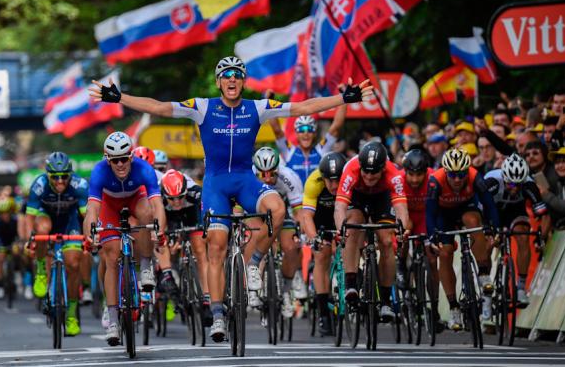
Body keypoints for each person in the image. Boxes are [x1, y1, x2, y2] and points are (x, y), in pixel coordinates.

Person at [89, 55, 373, 342]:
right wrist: (119, 98)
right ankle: (217, 315)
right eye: (226, 75)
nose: (232, 79)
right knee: (217, 247)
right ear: (218, 82)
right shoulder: (203, 107)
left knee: (276, 207)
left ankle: (254, 263)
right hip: (216, 185)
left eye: (237, 74)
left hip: (246, 180)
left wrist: (343, 98)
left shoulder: (257, 108)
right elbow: (160, 107)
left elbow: (302, 107)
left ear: (243, 81)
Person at [82, 132, 167, 346]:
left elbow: (157, 205)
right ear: (106, 159)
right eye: (114, 160)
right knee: (111, 258)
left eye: (124, 158)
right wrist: (89, 235)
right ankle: (112, 322)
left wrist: (160, 231)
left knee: (147, 213)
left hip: (135, 200)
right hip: (109, 206)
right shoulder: (99, 171)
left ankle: (146, 267)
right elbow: (92, 209)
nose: (120, 164)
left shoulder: (144, 168)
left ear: (131, 156)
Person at [334, 141, 412, 322]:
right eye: (366, 171)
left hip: (381, 198)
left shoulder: (393, 174)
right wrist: (341, 230)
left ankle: (385, 301)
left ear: (383, 169)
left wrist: (401, 230)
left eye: (374, 172)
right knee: (351, 228)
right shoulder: (351, 170)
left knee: (386, 241)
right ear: (360, 166)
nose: (369, 176)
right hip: (357, 198)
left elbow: (401, 208)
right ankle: (351, 284)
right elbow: (339, 207)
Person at [426, 148, 499, 330]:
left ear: (467, 171)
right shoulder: (436, 180)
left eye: (461, 175)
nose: (458, 180)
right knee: (445, 253)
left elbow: (490, 205)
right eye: (453, 175)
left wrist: (492, 229)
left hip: (467, 208)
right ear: (446, 172)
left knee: (474, 221)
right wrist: (431, 236)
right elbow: (430, 213)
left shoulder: (475, 177)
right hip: (444, 214)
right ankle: (453, 308)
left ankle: (483, 273)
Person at [25, 152, 89, 336]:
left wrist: (90, 236)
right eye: (55, 177)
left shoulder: (80, 185)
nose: (60, 181)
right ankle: (40, 272)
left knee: (74, 264)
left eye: (64, 176)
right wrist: (30, 238)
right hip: (46, 219)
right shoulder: (39, 185)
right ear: (48, 175)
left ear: (70, 174)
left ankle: (71, 316)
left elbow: (86, 216)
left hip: (70, 223)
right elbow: (30, 216)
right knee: (42, 229)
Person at [484, 154, 548, 304]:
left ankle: (520, 287)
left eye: (518, 185)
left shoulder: (529, 185)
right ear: (504, 178)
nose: (515, 189)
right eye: (511, 185)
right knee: (487, 243)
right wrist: (487, 230)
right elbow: (480, 209)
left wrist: (541, 237)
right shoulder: (492, 182)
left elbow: (545, 215)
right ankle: (484, 282)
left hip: (515, 210)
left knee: (523, 236)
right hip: (493, 210)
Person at [251, 147, 304, 318]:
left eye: (271, 173)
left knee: (291, 247)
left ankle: (287, 291)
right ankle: (253, 288)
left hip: (283, 212)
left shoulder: (289, 177)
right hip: (257, 210)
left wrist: (300, 232)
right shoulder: (249, 175)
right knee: (254, 239)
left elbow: (298, 212)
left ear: (277, 169)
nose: (267, 178)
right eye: (263, 174)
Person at [299, 151, 347, 336]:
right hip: (320, 218)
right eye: (330, 181)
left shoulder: (350, 179)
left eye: (337, 180)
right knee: (322, 255)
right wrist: (315, 239)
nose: (334, 185)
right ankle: (324, 313)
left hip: (342, 215)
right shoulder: (314, 181)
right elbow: (306, 216)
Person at [159, 169, 212, 325]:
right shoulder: (159, 196)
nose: (176, 202)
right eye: (172, 199)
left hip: (192, 212)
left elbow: (205, 216)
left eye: (179, 197)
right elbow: (158, 226)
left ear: (185, 191)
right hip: (168, 216)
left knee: (200, 251)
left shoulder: (195, 192)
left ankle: (207, 300)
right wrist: (168, 237)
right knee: (164, 241)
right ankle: (168, 275)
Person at [268, 104, 347, 184]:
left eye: (310, 129)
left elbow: (336, 127)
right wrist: (269, 102)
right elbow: (277, 130)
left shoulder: (321, 149)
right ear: (296, 134)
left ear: (315, 133)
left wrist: (344, 100)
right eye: (301, 130)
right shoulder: (289, 151)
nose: (306, 133)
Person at [399, 149, 439, 299]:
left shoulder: (434, 177)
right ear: (405, 172)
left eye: (419, 175)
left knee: (432, 259)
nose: (415, 180)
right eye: (411, 175)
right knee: (405, 230)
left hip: (424, 216)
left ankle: (434, 303)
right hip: (406, 213)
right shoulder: (398, 179)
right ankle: (401, 264)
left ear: (426, 172)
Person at [0, 197, 19, 300]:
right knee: (0, 259)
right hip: (1, 243)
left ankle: (17, 274)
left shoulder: (15, 220)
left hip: (12, 242)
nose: (5, 215)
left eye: (7, 212)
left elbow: (19, 234)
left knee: (19, 253)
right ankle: (0, 286)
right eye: (2, 213)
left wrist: (18, 243)